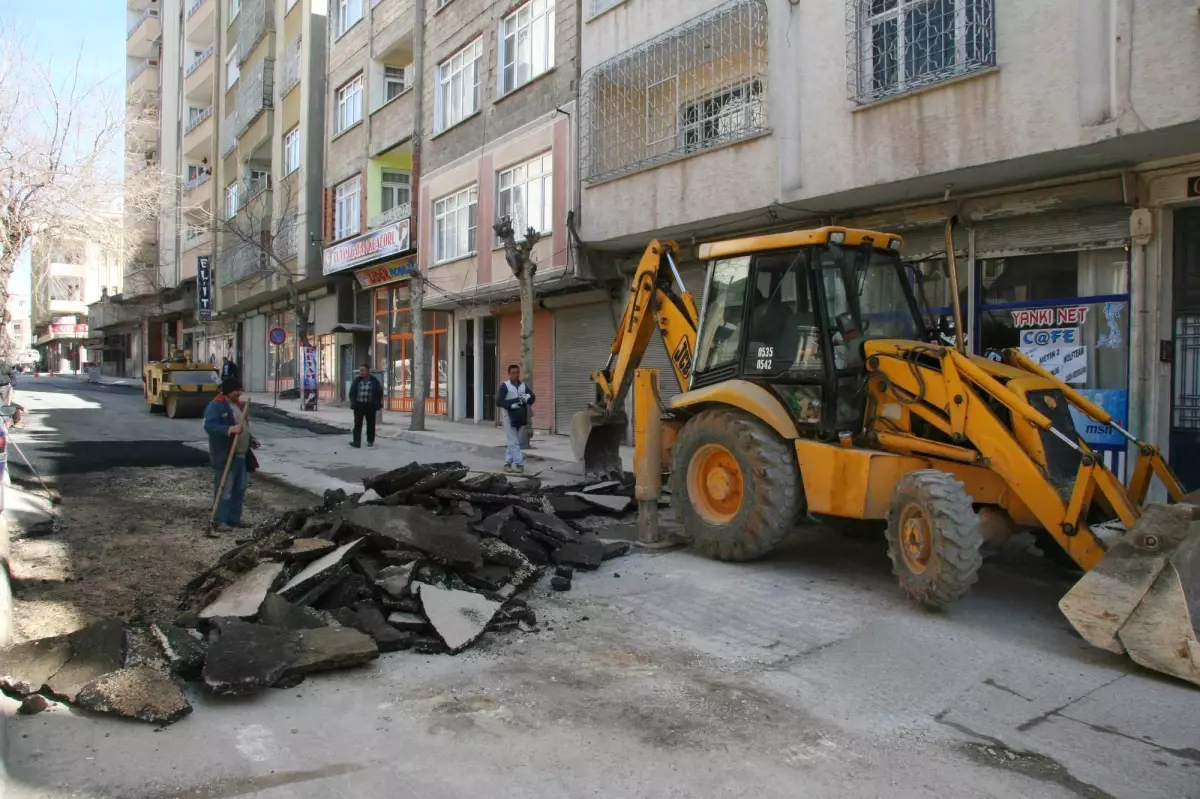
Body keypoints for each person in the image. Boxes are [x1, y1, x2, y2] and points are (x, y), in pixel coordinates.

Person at [203, 377, 260, 533]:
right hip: (226, 455)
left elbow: (242, 426)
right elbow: (210, 426)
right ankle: (220, 520)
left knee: (239, 488)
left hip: (241, 455)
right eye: (237, 390)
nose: (239, 393)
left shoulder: (237, 405)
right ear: (229, 391)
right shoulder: (216, 406)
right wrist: (229, 430)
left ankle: (234, 519)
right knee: (225, 488)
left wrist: (250, 439)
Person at [495, 364, 535, 473]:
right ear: (509, 374)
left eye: (517, 372)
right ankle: (519, 464)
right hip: (509, 417)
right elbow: (498, 401)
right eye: (513, 373)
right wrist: (510, 405)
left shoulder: (523, 386)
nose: (516, 375)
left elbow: (532, 398)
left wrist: (528, 397)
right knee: (514, 441)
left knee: (513, 441)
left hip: (520, 416)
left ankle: (507, 463)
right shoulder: (505, 386)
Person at [348, 364, 383, 448]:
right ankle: (356, 442)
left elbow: (379, 393)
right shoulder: (357, 381)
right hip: (359, 405)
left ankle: (370, 441)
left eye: (363, 370)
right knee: (357, 424)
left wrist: (376, 403)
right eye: (360, 370)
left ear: (368, 371)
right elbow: (352, 393)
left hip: (370, 405)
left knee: (371, 424)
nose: (361, 372)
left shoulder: (374, 381)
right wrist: (353, 402)